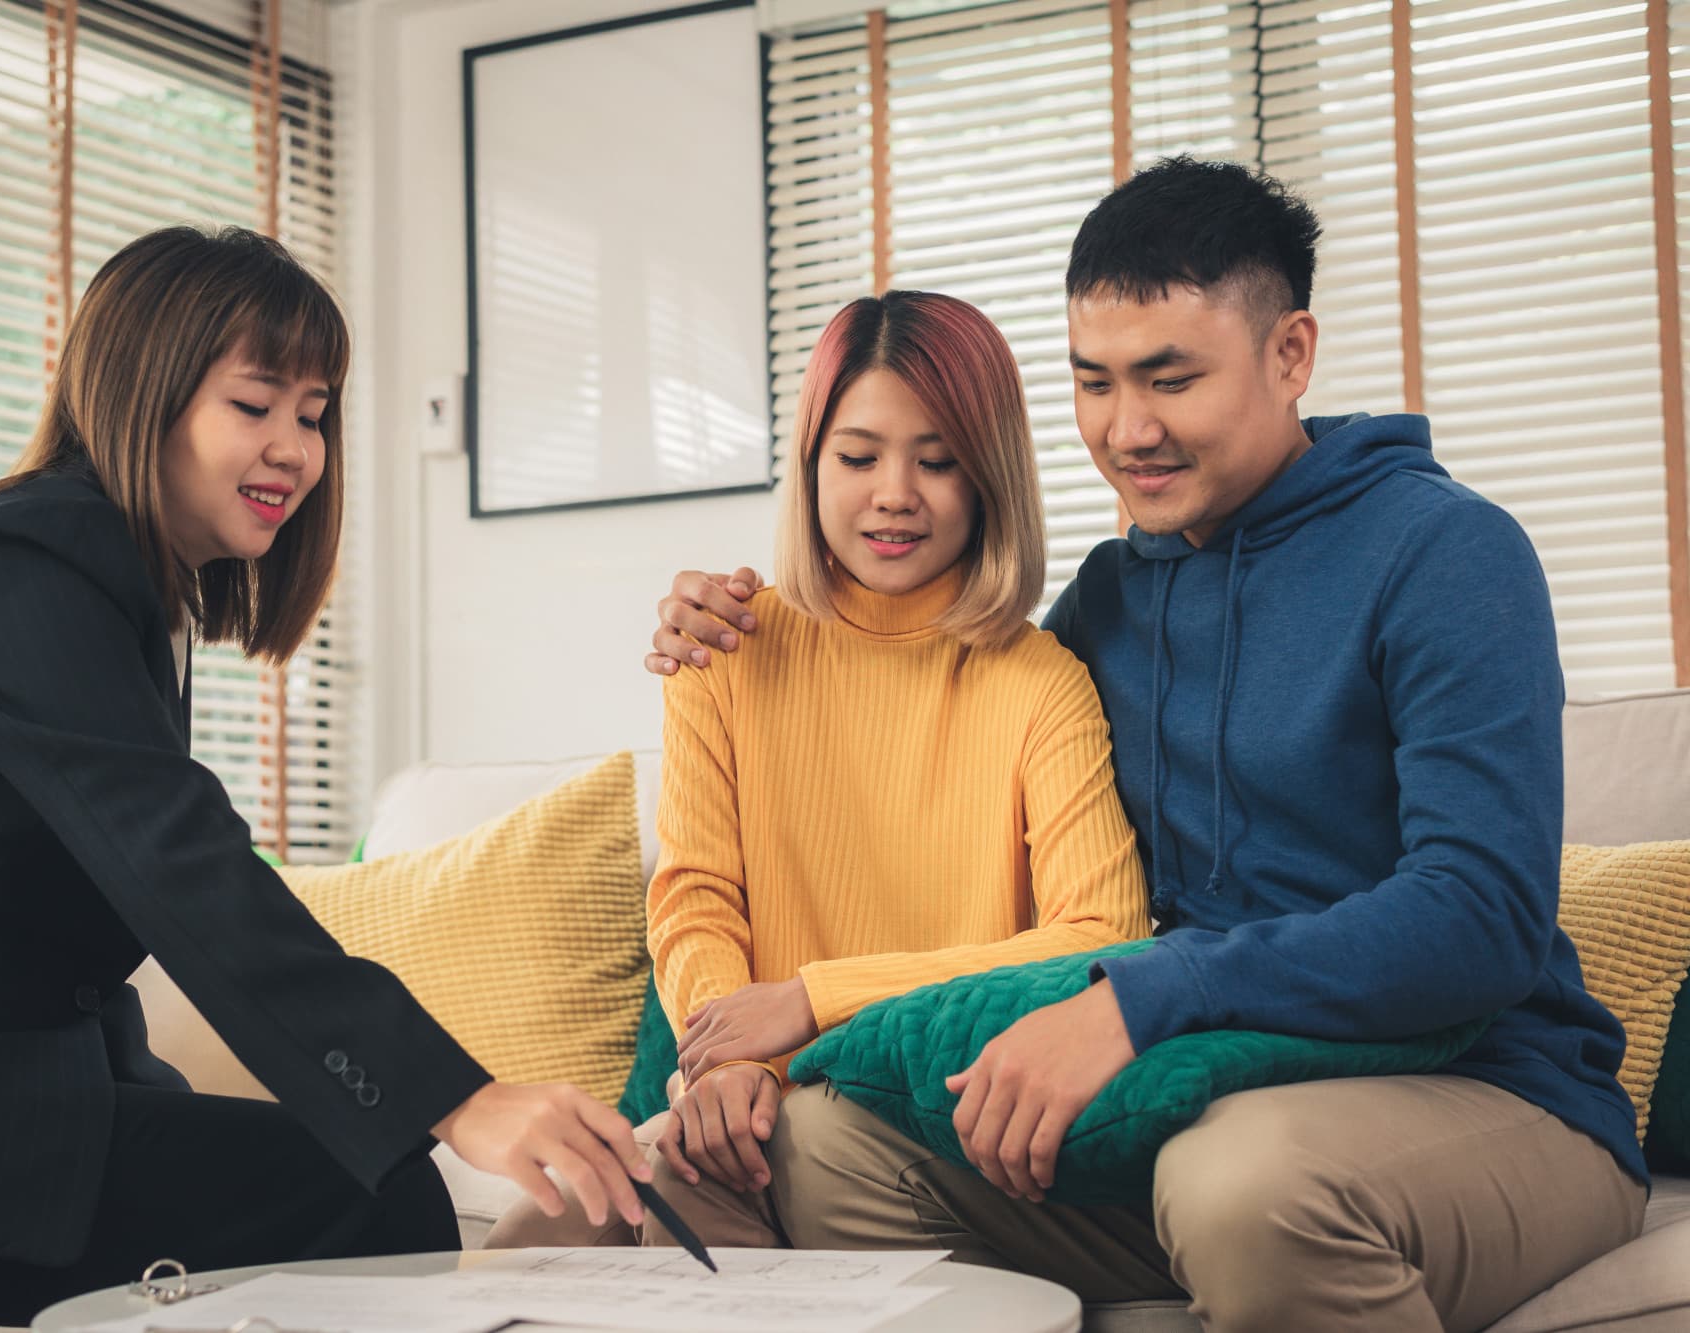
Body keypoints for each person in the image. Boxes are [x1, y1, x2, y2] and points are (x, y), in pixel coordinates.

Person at [645, 158, 1645, 1330]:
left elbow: (1477, 915)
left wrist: (1133, 998)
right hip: (1201, 1085)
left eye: (1170, 378)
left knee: (1240, 1184)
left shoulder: (1446, 553)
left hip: (1476, 1089)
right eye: (1093, 382)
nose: (1128, 430)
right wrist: (715, 616)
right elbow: (939, 694)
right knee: (824, 1143)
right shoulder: (1108, 604)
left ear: (1289, 354)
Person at [0, 226, 649, 1327]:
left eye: (314, 411)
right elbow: (179, 863)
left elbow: (74, 937)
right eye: (255, 404)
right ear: (144, 394)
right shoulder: (26, 562)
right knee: (371, 1194)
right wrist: (455, 1096)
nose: (294, 446)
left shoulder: (117, 585)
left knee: (349, 1179)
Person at [492, 290, 1148, 1252]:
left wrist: (812, 999)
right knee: (517, 1258)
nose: (894, 492)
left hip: (916, 1113)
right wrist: (719, 1064)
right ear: (809, 464)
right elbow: (697, 896)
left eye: (937, 460)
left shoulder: (1039, 681)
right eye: (858, 455)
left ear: (991, 478)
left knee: (693, 1202)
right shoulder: (726, 647)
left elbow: (1101, 933)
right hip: (739, 1096)